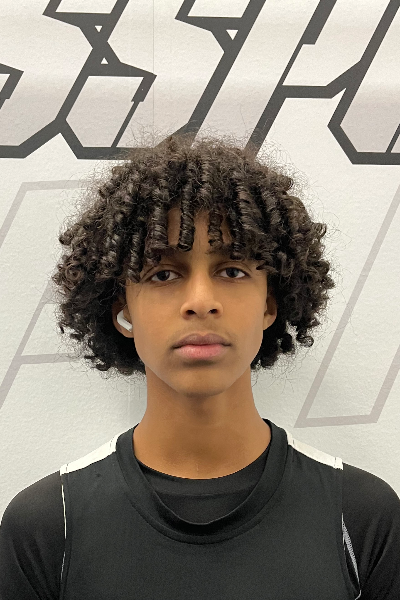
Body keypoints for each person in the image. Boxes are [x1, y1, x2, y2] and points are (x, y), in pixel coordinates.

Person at [1, 133, 399, 599]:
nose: (201, 301)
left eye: (232, 271)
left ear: (270, 305)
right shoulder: (50, 526)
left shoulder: (361, 517)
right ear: (122, 310)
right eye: (163, 273)